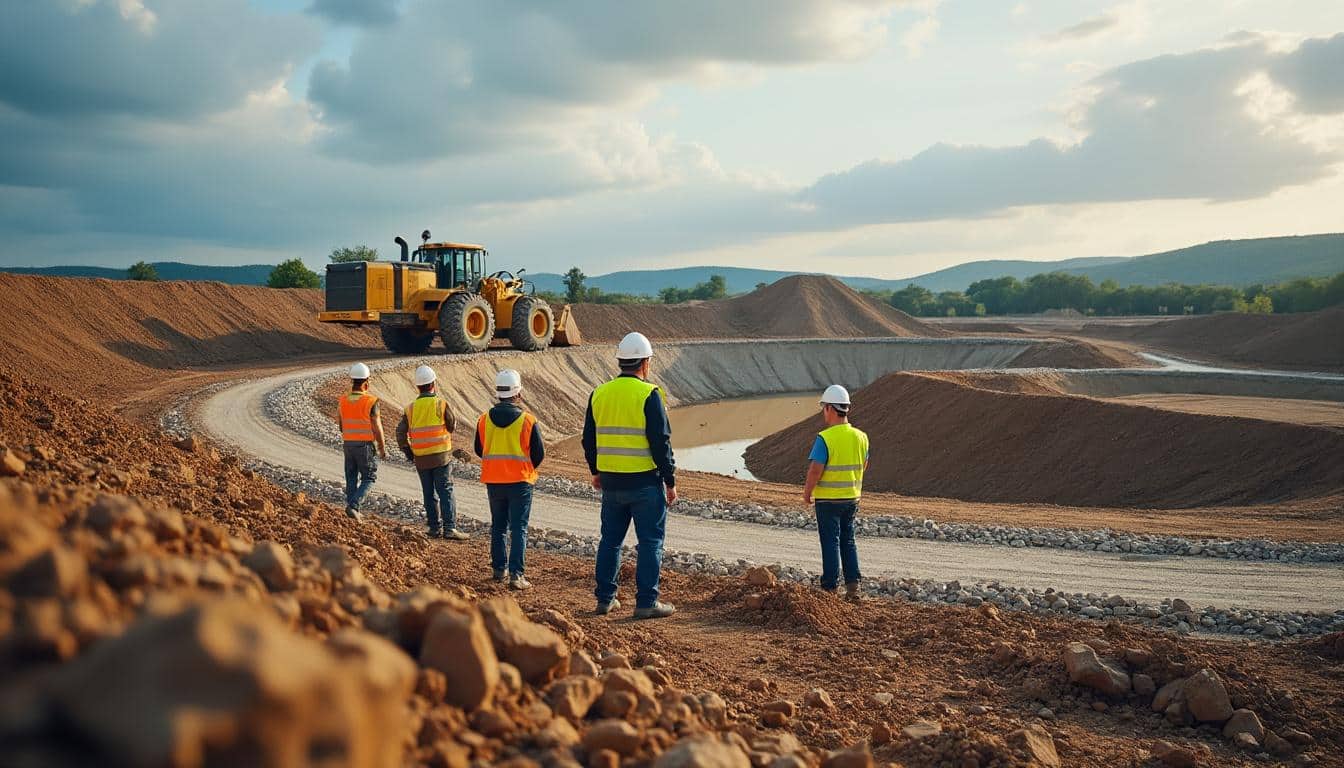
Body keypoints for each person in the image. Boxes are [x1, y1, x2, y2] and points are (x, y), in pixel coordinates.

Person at [582, 331, 677, 619]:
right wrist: (670, 480)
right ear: (645, 363)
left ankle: (605, 599)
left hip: (611, 483)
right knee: (650, 543)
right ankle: (647, 602)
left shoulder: (599, 393)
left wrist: (596, 472)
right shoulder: (649, 394)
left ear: (621, 362)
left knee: (609, 541)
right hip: (645, 483)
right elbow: (661, 442)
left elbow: (589, 440)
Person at [474, 369, 545, 590]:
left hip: (494, 481)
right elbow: (538, 454)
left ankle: (498, 569)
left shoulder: (484, 419)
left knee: (498, 526)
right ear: (518, 393)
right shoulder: (528, 421)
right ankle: (517, 575)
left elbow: (479, 449)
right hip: (520, 482)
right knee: (519, 528)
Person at [802, 384, 869, 599]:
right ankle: (853, 587)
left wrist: (807, 493)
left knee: (830, 541)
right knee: (848, 540)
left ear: (830, 408)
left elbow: (815, 470)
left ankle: (830, 588)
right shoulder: (861, 437)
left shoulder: (825, 438)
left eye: (824, 408)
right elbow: (863, 465)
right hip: (851, 498)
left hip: (828, 501)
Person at [396, 364, 467, 540]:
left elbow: (400, 432)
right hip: (441, 457)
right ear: (433, 383)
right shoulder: (441, 404)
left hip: (420, 458)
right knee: (445, 491)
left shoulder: (410, 409)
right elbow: (451, 425)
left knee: (428, 493)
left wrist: (408, 451)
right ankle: (450, 528)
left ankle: (434, 527)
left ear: (417, 386)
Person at [339, 362, 387, 522]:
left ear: (352, 381)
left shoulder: (343, 400)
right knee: (369, 477)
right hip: (364, 445)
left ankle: (352, 510)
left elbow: (341, 425)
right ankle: (353, 506)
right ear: (367, 382)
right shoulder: (371, 401)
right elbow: (377, 427)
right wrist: (381, 447)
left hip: (348, 444)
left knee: (351, 477)